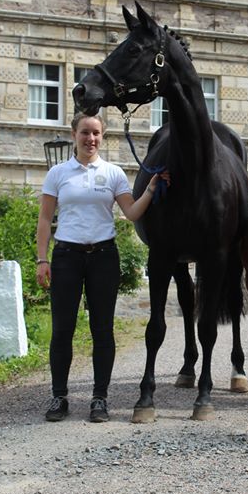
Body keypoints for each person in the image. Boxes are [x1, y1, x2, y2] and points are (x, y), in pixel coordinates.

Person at [36, 112, 166, 423]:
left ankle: (99, 398)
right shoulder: (58, 173)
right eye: (85, 133)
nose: (90, 139)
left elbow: (132, 213)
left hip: (103, 257)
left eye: (96, 133)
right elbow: (44, 220)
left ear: (102, 137)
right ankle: (59, 396)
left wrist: (150, 189)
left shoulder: (113, 173)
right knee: (62, 330)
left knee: (103, 330)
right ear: (74, 134)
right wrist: (42, 259)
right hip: (66, 256)